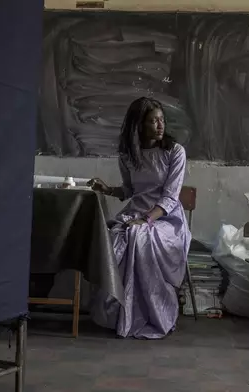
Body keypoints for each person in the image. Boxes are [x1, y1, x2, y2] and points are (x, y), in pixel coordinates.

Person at [87, 97, 191, 339]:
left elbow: (170, 197)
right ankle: (118, 315)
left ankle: (155, 315)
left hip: (166, 220)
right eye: (153, 121)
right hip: (135, 214)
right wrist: (107, 189)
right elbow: (131, 191)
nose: (160, 125)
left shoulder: (174, 152)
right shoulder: (128, 156)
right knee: (112, 239)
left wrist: (146, 220)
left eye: (161, 120)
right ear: (139, 125)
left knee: (140, 237)